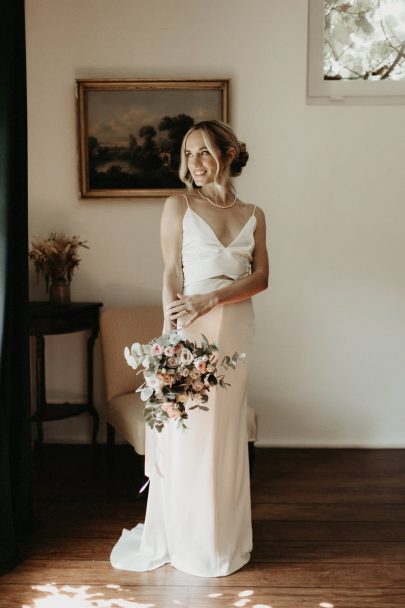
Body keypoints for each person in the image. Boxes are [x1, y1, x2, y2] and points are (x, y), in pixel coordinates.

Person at [110, 120, 269, 577]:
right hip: (189, 328)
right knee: (190, 434)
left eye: (204, 152)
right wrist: (171, 337)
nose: (194, 163)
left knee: (225, 432)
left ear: (229, 153)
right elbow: (170, 275)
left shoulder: (255, 212)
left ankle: (224, 539)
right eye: (188, 154)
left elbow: (261, 278)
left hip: (236, 327)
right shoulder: (177, 204)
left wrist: (215, 297)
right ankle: (187, 538)